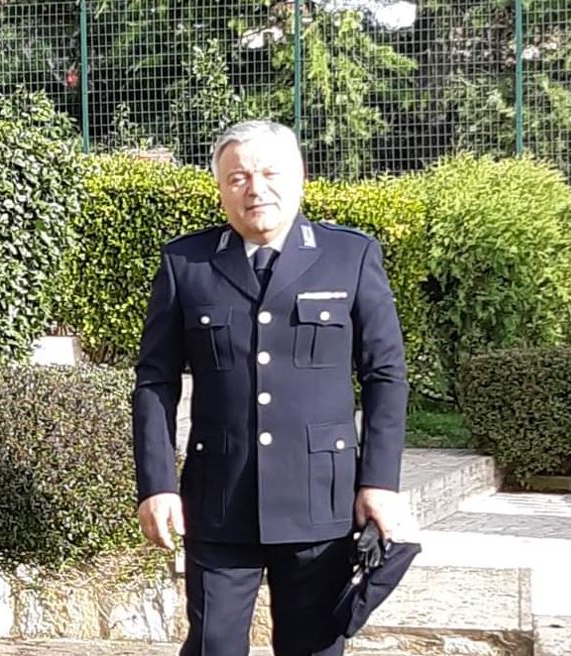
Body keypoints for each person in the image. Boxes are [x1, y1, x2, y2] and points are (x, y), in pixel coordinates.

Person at [133, 120, 408, 656]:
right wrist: (157, 484)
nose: (254, 189)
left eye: (269, 174)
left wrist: (379, 482)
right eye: (237, 177)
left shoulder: (348, 256)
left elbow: (385, 374)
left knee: (312, 647)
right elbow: (155, 381)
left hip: (319, 499)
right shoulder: (187, 263)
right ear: (220, 188)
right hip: (219, 499)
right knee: (212, 645)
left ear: (300, 176)